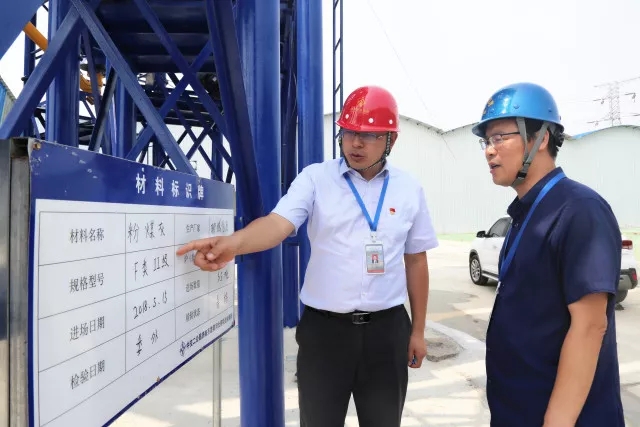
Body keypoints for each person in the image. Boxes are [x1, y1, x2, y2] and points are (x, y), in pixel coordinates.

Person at [177, 85, 438, 427]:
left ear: (391, 140)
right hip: (325, 333)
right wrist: (233, 244)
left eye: (368, 135)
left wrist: (417, 331)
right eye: (349, 132)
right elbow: (277, 223)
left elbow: (416, 260)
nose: (355, 143)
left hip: (387, 332)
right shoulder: (316, 179)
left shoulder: (408, 189)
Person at [472, 82, 625, 426]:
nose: (489, 151)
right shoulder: (525, 214)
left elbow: (590, 326)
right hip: (518, 410)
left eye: (500, 137)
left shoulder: (579, 210)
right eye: (486, 141)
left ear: (541, 138)